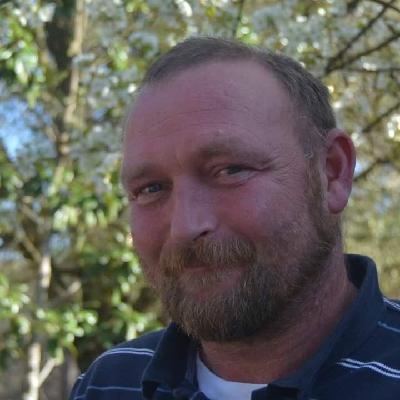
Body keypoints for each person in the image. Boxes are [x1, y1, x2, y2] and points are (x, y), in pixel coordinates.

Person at [69, 37, 400, 400]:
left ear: (331, 173)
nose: (185, 227)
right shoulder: (109, 383)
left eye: (231, 170)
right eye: (151, 189)